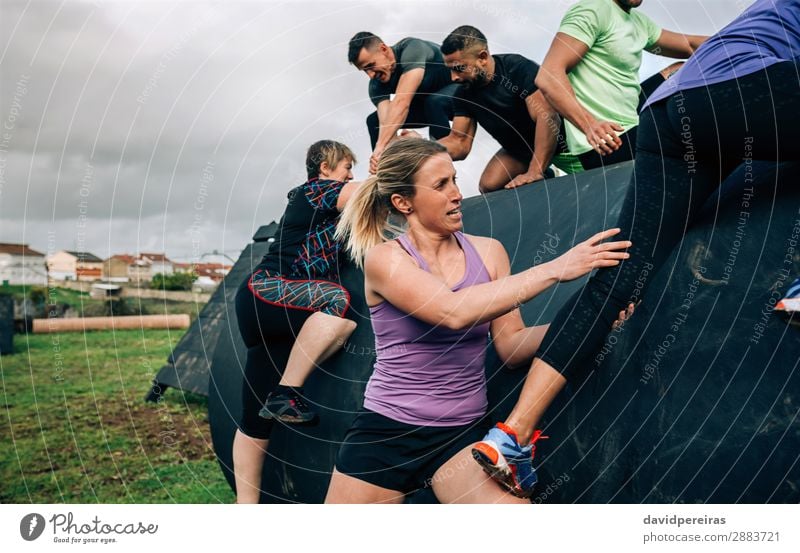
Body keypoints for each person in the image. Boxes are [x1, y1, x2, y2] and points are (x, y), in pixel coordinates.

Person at [473, 0, 800, 498]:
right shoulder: (593, 12)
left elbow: (695, 46)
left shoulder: (752, 19)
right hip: (743, 93)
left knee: (621, 272)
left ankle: (512, 435)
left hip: (671, 113)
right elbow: (550, 74)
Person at [324, 138, 633, 503]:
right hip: (388, 434)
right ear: (403, 202)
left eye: (454, 180)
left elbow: (511, 346)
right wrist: (555, 269)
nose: (456, 194)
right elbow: (451, 312)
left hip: (459, 434)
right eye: (440, 185)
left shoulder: (488, 252)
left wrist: (592, 323)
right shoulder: (385, 260)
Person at [232, 140, 360, 503]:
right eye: (346, 167)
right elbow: (367, 192)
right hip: (269, 291)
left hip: (273, 313)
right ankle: (288, 392)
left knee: (253, 420)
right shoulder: (315, 192)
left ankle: (245, 507)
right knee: (337, 301)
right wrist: (390, 158)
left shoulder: (327, 213)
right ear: (324, 168)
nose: (351, 174)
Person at [535, 0, 707, 172]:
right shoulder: (593, 10)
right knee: (699, 134)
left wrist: (732, 40)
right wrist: (590, 126)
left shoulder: (638, 21)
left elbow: (689, 45)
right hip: (608, 142)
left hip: (633, 125)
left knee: (682, 69)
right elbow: (549, 76)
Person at [436, 25, 563, 193]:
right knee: (489, 186)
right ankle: (548, 174)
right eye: (450, 69)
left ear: (482, 57)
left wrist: (535, 171)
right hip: (520, 151)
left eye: (459, 68)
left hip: (560, 142)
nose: (454, 77)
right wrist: (418, 150)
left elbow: (547, 117)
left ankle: (543, 170)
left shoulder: (516, 68)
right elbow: (459, 142)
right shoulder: (463, 94)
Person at [348, 32, 459, 173]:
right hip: (429, 108)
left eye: (371, 65)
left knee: (433, 101)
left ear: (384, 49)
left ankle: (441, 164)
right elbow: (387, 124)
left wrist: (380, 146)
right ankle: (391, 177)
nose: (371, 75)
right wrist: (382, 154)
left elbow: (402, 102)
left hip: (461, 94)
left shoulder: (411, 48)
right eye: (365, 70)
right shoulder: (376, 85)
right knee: (374, 122)